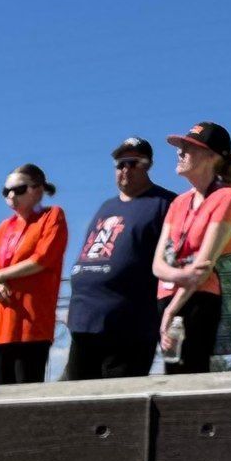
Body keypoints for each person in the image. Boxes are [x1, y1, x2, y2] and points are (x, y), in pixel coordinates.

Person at [64, 138, 178, 379]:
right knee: (74, 403)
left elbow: (174, 258)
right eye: (120, 164)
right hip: (85, 321)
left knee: (117, 403)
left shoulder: (164, 204)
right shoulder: (107, 206)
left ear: (147, 165)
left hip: (128, 324)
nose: (125, 169)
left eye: (133, 163)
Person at [151, 123, 231, 375]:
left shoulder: (228, 196)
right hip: (167, 296)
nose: (180, 152)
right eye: (181, 146)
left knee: (190, 375)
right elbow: (158, 262)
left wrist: (171, 312)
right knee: (171, 375)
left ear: (212, 157)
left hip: (198, 299)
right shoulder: (179, 202)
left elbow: (204, 267)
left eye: (189, 147)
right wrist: (179, 276)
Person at [0, 164, 67, 385]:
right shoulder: (4, 227)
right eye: (6, 191)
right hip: (2, 325)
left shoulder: (52, 216)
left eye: (19, 189)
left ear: (38, 189)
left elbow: (42, 258)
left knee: (27, 393)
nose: (11, 195)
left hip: (32, 324)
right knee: (1, 395)